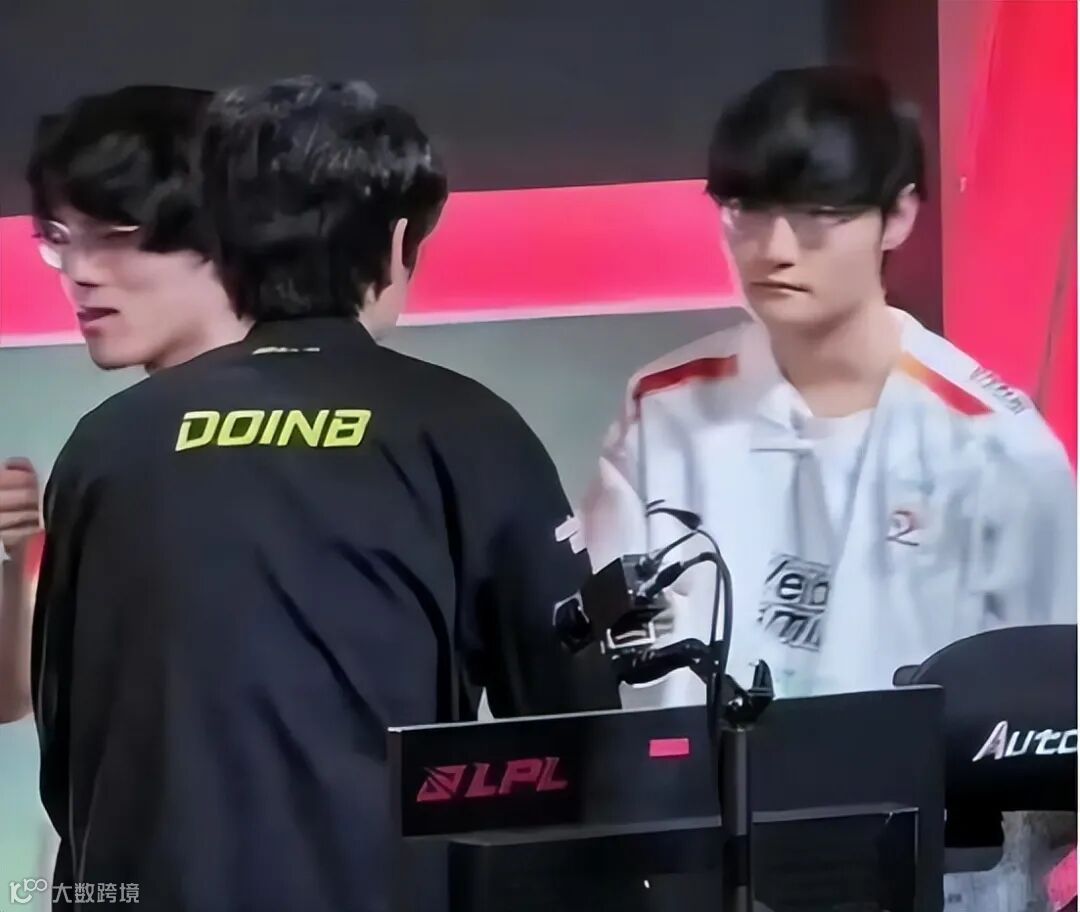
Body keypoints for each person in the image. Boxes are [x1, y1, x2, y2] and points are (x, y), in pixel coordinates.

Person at [32, 76, 614, 912]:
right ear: (398, 243)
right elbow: (574, 731)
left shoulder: (108, 443)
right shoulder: (467, 428)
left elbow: (68, 744)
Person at [582, 65, 1075, 911]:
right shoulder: (663, 410)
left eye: (819, 214)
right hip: (712, 874)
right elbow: (602, 667)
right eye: (747, 210)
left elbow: (1058, 731)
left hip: (935, 884)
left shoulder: (994, 445)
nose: (774, 248)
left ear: (899, 215)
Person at [0, 85, 251, 723]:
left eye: (113, 235)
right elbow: (17, 693)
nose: (77, 272)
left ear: (222, 233)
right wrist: (22, 554)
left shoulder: (332, 438)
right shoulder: (112, 449)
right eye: (58, 238)